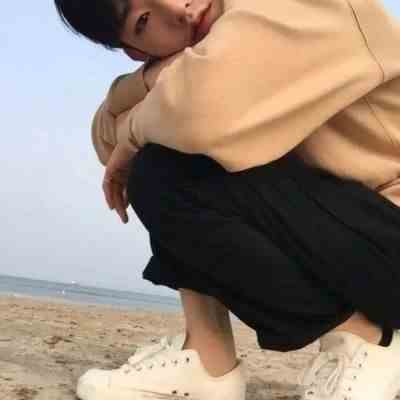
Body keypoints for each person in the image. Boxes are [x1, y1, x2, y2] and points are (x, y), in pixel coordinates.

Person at [54, 0, 400, 399]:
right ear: (135, 50)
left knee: (169, 162)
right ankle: (207, 359)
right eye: (144, 20)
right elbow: (104, 136)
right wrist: (150, 81)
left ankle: (368, 340)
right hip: (358, 238)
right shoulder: (211, 49)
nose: (179, 8)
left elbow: (200, 112)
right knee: (168, 155)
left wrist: (137, 125)